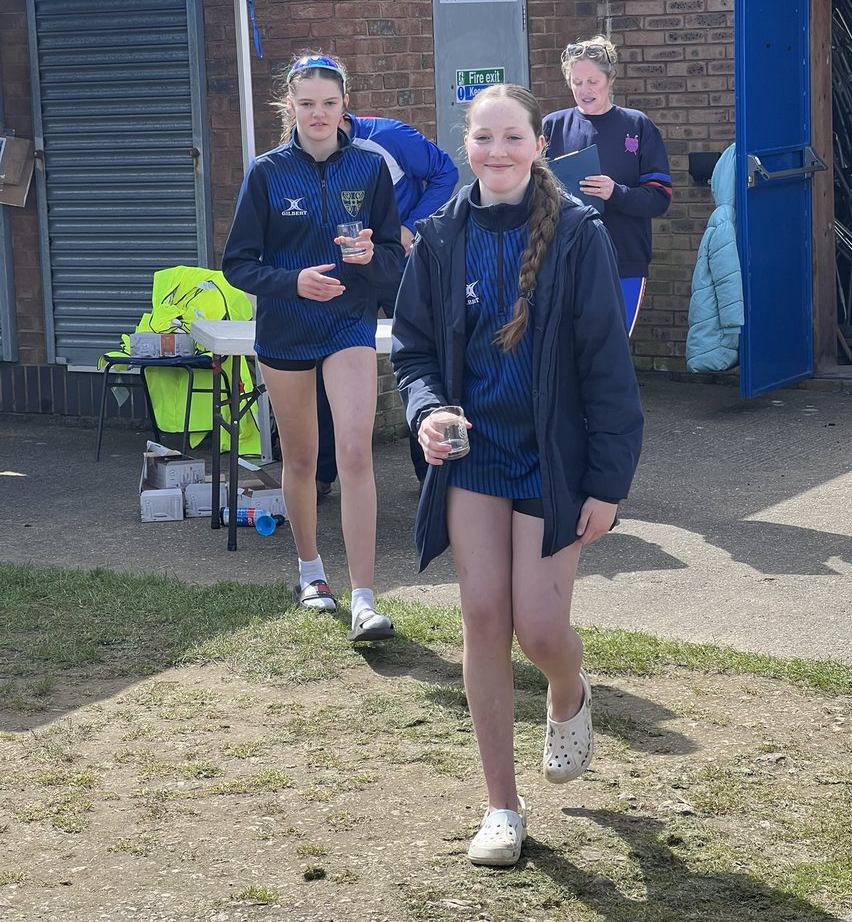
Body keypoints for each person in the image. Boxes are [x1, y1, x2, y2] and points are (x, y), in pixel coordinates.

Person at [391, 84, 643, 867]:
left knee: (538, 629)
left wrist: (608, 482)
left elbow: (606, 365)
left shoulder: (577, 234)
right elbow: (414, 352)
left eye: (512, 138)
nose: (496, 152)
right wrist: (427, 411)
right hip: (475, 459)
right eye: (482, 138)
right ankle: (502, 804)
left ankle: (569, 693)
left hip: (554, 463)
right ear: (465, 145)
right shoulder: (439, 238)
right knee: (483, 619)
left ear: (538, 145)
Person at [222, 53, 405, 641]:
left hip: (349, 325)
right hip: (285, 330)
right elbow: (238, 265)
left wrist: (370, 257)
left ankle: (365, 597)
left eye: (329, 102)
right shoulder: (267, 172)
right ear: (290, 108)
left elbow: (395, 265)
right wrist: (292, 281)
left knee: (354, 453)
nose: (319, 113)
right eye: (307, 103)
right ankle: (310, 574)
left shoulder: (370, 170)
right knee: (301, 459)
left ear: (344, 104)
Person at [315, 111, 459, 497]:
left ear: (341, 108)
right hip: (346, 268)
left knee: (420, 356)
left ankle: (431, 472)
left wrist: (411, 227)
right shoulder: (306, 149)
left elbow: (446, 172)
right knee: (325, 361)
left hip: (399, 264)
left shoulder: (389, 136)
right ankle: (320, 473)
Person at [542, 34, 672, 335]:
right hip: (566, 257)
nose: (584, 90)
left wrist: (616, 192)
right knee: (570, 349)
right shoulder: (552, 126)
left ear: (610, 79)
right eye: (576, 82)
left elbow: (660, 197)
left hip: (624, 258)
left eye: (592, 81)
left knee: (615, 347)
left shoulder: (638, 125)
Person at [686, 143, 744, 372]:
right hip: (720, 334)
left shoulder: (724, 219)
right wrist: (733, 325)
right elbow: (727, 280)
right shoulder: (725, 223)